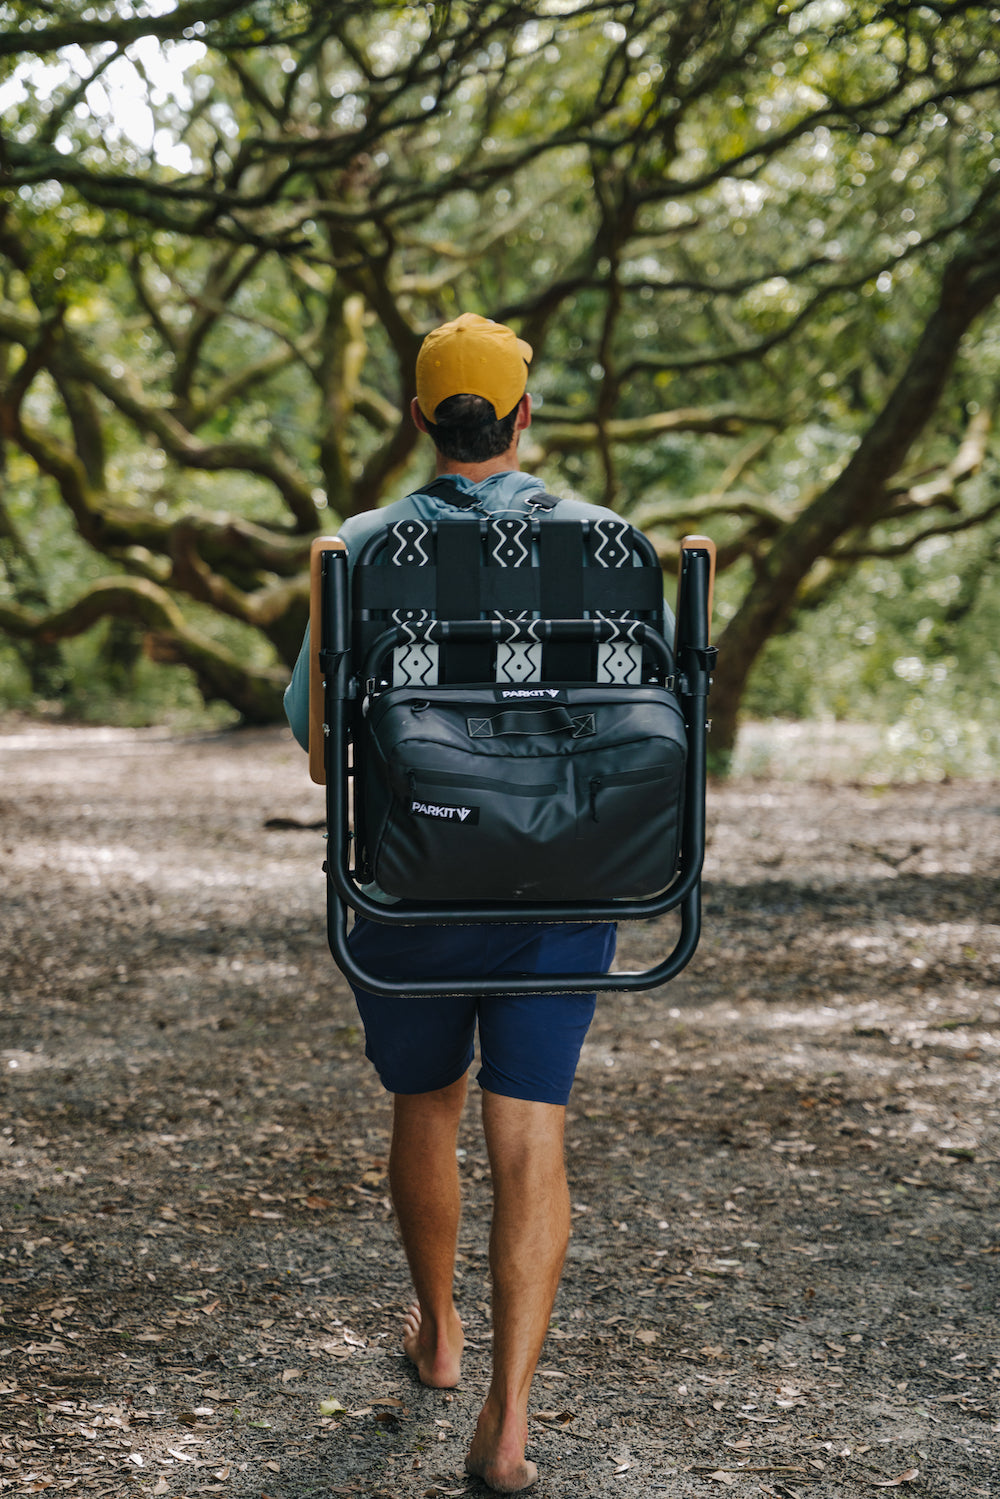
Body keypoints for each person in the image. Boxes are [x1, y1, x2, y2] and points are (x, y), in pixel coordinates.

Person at [284, 313, 653, 1493]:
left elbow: (312, 737)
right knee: (528, 1128)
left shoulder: (359, 549)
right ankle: (507, 1421)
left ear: (418, 419)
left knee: (427, 1102)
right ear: (524, 416)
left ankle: (438, 1333)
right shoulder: (615, 546)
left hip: (413, 878)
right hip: (566, 874)